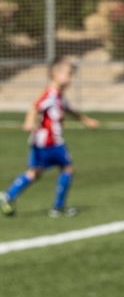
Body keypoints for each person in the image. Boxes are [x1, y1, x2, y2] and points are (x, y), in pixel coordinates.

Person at [1, 56, 99, 219]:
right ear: (55, 73)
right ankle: (58, 207)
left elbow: (69, 109)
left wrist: (86, 120)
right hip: (49, 141)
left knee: (35, 172)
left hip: (44, 142)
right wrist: (29, 121)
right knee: (67, 168)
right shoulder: (50, 93)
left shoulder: (58, 95)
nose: (70, 78)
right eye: (68, 74)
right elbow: (35, 107)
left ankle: (9, 195)